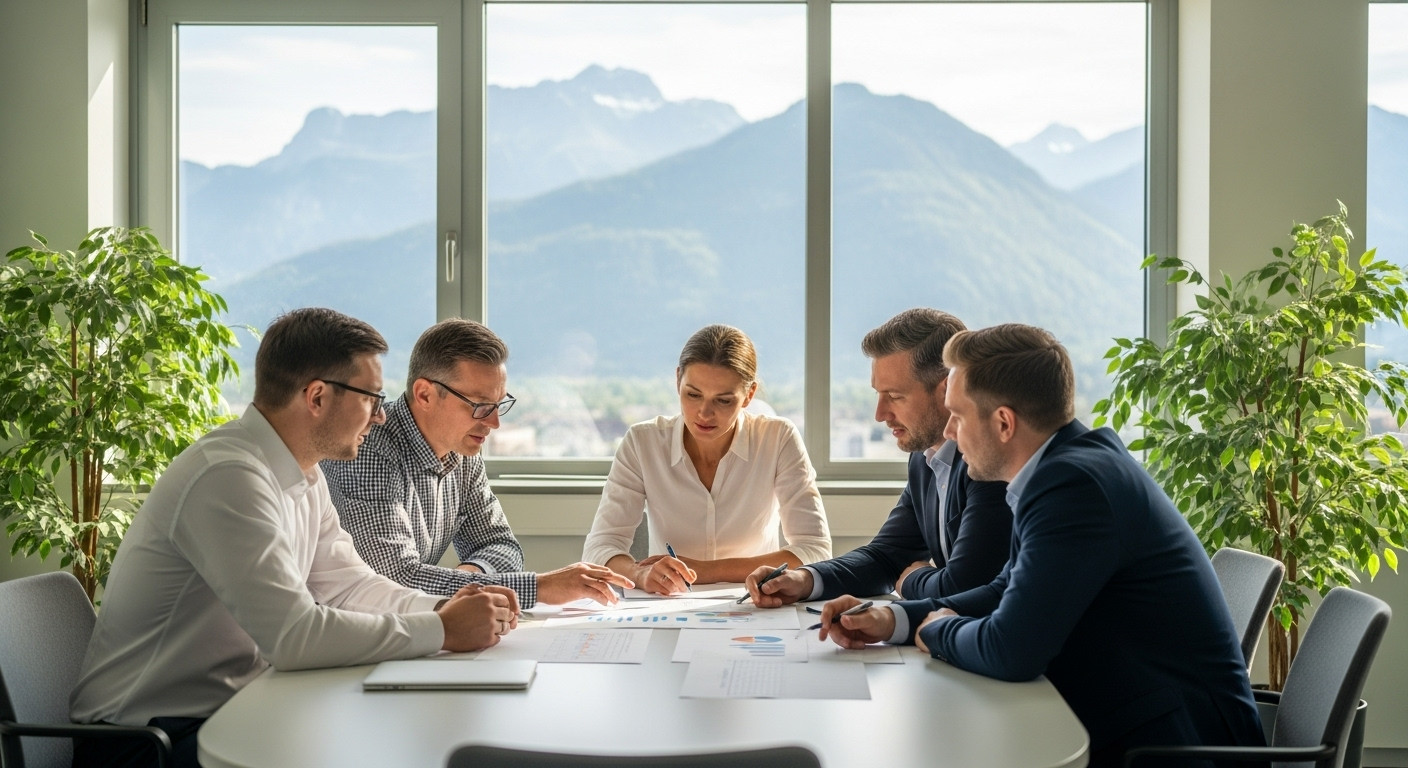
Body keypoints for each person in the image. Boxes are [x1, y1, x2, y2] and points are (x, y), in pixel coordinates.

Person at [70, 308, 519, 768]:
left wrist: (442, 609)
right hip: (145, 742)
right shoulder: (228, 476)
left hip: (234, 708)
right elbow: (293, 635)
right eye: (371, 398)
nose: (382, 417)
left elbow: (349, 586)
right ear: (318, 398)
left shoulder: (302, 473)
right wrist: (442, 629)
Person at [817, 324, 1265, 768]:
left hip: (1170, 747)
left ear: (1004, 423)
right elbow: (1003, 590)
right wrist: (892, 617)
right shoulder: (1061, 470)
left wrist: (935, 630)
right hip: (1127, 721)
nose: (949, 433)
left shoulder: (1073, 486)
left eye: (957, 415)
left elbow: (1011, 649)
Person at [322, 318, 632, 608]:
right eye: (481, 406)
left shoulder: (463, 450)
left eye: (499, 405)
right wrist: (539, 588)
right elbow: (393, 582)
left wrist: (472, 579)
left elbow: (502, 546)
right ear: (425, 395)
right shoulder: (367, 450)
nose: (494, 423)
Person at [743, 309, 1012, 627]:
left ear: (946, 389)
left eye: (895, 396)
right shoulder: (924, 457)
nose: (880, 413)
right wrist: (803, 580)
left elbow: (965, 587)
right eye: (878, 394)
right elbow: (886, 556)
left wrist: (912, 579)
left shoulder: (988, 464)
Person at [582, 324, 832, 593]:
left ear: (749, 395)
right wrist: (640, 574)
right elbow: (599, 547)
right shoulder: (643, 442)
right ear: (678, 380)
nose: (704, 413)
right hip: (669, 603)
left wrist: (704, 571)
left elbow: (815, 550)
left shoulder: (778, 438)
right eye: (693, 394)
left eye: (723, 401)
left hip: (756, 603)